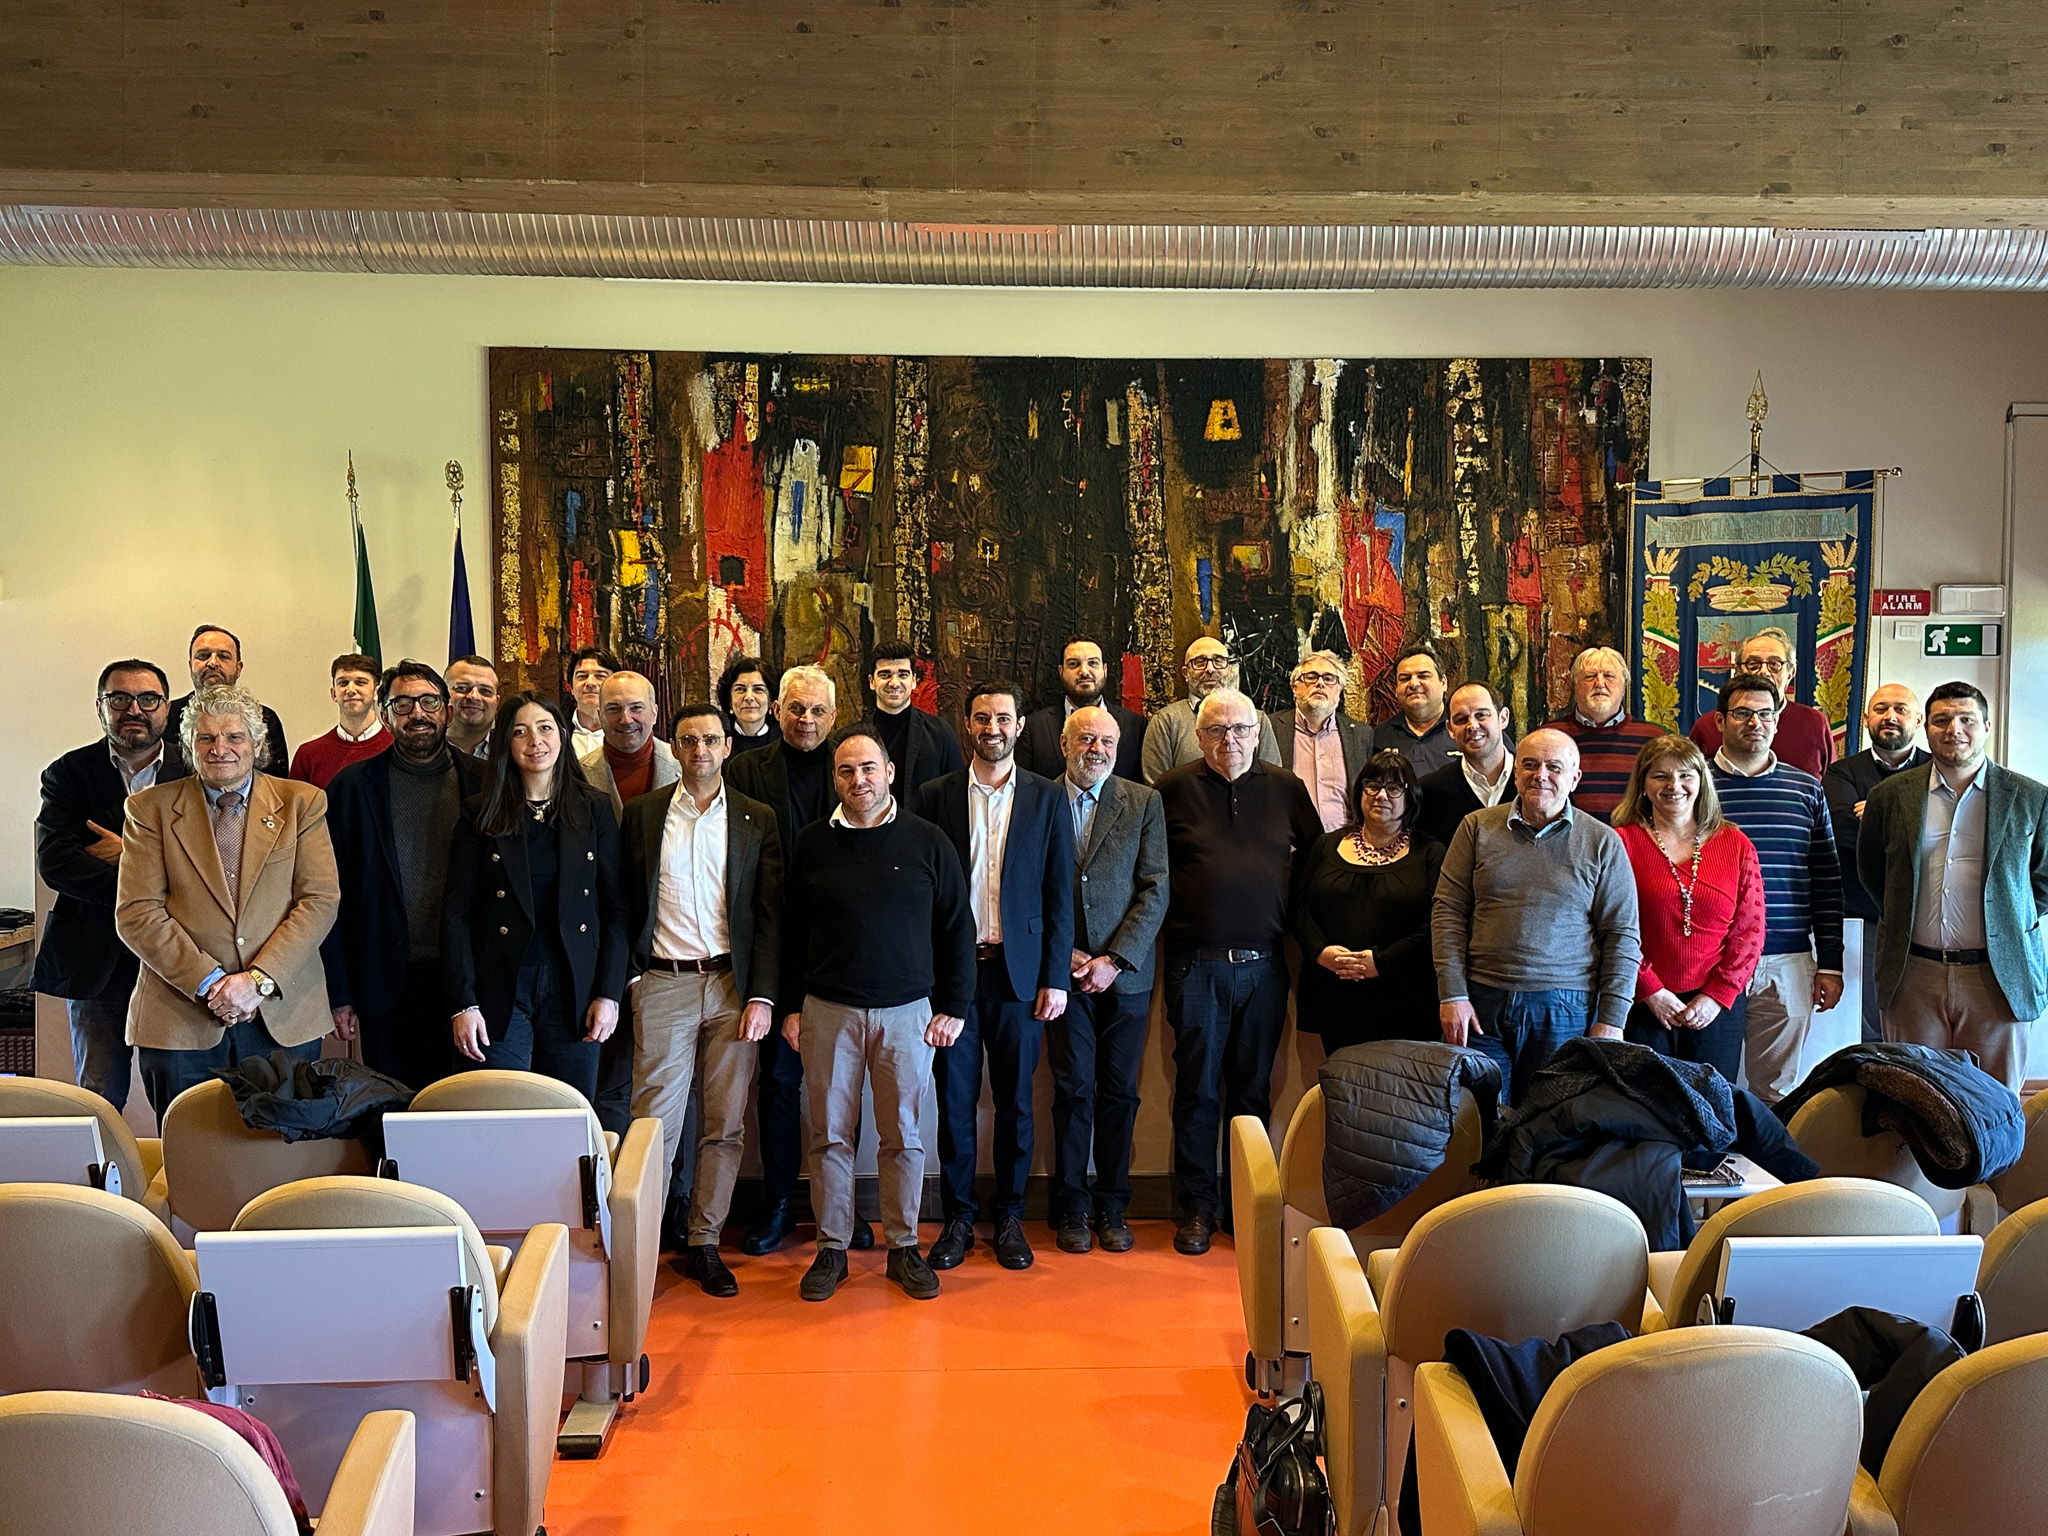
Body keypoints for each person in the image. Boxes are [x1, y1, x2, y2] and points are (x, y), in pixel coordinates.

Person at [779, 724, 976, 1302]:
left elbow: (956, 929)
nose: (858, 780)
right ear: (833, 778)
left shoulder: (928, 841)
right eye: (845, 770)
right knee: (830, 1137)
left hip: (908, 1014)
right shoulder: (812, 843)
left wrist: (955, 1006)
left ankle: (903, 1246)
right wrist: (790, 1008)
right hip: (827, 1012)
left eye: (868, 768)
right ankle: (831, 1249)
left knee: (904, 1137)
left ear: (889, 773)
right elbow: (792, 935)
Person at [114, 684, 339, 1119]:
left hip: (281, 1013)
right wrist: (211, 982)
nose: (220, 749)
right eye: (206, 738)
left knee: (282, 1158)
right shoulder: (148, 809)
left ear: (257, 744)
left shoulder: (302, 803)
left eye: (234, 737)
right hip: (182, 1018)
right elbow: (137, 913)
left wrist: (255, 981)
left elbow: (318, 900)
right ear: (189, 746)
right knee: (191, 1158)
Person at [619, 702, 782, 1297]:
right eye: (688, 741)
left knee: (725, 1123)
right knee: (653, 1125)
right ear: (675, 747)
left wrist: (763, 994)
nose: (700, 751)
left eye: (711, 740)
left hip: (733, 988)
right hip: (662, 982)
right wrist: (632, 978)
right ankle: (636, 1252)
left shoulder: (755, 818)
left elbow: (769, 915)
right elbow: (621, 904)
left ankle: (704, 1242)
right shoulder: (641, 816)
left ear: (727, 747)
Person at [916, 681, 1076, 1274]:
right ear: (967, 724)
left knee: (1014, 1104)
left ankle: (1009, 1214)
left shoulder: (1045, 798)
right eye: (982, 718)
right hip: (954, 981)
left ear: (1020, 725)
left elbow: (1059, 896)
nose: (993, 728)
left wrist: (1055, 978)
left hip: (1020, 977)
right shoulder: (934, 797)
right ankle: (958, 1216)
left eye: (1003, 718)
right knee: (953, 1102)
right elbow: (923, 896)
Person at [1156, 688, 1323, 1254]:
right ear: (1198, 736)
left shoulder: (1286, 789)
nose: (1228, 740)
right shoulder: (1172, 789)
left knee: (1251, 1092)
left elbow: (1318, 863)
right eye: (1215, 731)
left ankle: (1243, 1210)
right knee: (1197, 1091)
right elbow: (1150, 870)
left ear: (1257, 732)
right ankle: (1197, 1210)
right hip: (1193, 966)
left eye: (1239, 729)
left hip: (1266, 969)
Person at [1432, 727, 1642, 1105]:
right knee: (1480, 1118)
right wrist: (1453, 994)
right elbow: (1447, 912)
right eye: (1529, 764)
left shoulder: (1603, 842)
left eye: (1554, 767)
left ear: (1575, 777)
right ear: (1515, 772)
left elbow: (1622, 936)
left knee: (1550, 1120)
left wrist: (1612, 1021)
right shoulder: (1476, 828)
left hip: (1565, 1009)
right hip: (1480, 1004)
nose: (1540, 775)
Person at [1862, 681, 2048, 1093]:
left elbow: (2044, 878)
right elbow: (1875, 872)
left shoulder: (2030, 797)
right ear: (1926, 728)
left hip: (1998, 975)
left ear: (1986, 726)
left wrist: (2009, 913)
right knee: (1914, 1098)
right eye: (1942, 720)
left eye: (1966, 719)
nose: (1954, 729)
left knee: (1995, 1102)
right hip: (1914, 974)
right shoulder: (1889, 796)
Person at [444, 693, 628, 1103]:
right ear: (505, 743)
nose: (535, 741)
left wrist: (608, 994)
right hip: (499, 989)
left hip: (574, 988)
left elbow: (615, 910)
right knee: (499, 1117)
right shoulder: (479, 811)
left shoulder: (593, 809)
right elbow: (456, 913)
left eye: (545, 728)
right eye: (520, 731)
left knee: (569, 1118)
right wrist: (464, 1003)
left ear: (562, 736)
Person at [725, 664, 849, 1253]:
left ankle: (840, 1210)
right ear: (776, 710)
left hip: (838, 950)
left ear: (833, 714)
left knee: (839, 1088)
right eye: (796, 709)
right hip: (770, 946)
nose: (806, 720)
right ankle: (777, 1205)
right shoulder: (744, 771)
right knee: (777, 1084)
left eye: (818, 711)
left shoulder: (851, 771)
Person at [319, 661, 485, 1090]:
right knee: (393, 1112)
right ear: (386, 713)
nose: (418, 713)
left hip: (470, 981)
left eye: (429, 701)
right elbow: (327, 897)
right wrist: (340, 993)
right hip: (384, 984)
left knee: (468, 1109)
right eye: (403, 703)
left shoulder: (487, 784)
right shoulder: (350, 789)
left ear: (448, 711)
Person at [33, 660, 189, 1111]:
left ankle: (184, 1183)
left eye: (148, 699)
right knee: (98, 1095)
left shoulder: (196, 771)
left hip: (175, 955)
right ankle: (103, 1182)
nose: (133, 709)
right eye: (119, 699)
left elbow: (211, 866)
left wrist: (131, 852)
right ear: (101, 707)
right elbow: (57, 863)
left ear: (167, 708)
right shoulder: (68, 773)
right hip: (94, 956)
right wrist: (159, 874)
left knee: (182, 1099)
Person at [1048, 705, 1167, 1254]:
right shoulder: (1039, 798)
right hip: (1061, 977)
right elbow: (1023, 883)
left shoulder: (1143, 801)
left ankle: (1113, 1204)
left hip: (1125, 979)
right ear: (1064, 744)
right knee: (1072, 1091)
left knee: (1120, 1093)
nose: (1096, 749)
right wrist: (1065, 954)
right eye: (1086, 739)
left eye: (1107, 742)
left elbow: (1155, 888)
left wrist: (1113, 960)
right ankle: (1071, 1205)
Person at [1707, 675, 1845, 1103]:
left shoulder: (1805, 789)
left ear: (1778, 721)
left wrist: (1831, 962)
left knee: (1777, 1090)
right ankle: (1708, 1169)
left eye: (1766, 713)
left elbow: (1825, 878)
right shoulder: (1692, 788)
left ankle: (1767, 1170)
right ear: (1720, 720)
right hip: (1710, 957)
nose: (1755, 722)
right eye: (1743, 713)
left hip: (1786, 958)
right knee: (1708, 1081)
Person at [1612, 735, 1766, 1084]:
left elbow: (1750, 930)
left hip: (1716, 1008)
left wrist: (1716, 996)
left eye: (1685, 775)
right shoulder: (1620, 842)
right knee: (1647, 1109)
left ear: (1702, 781)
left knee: (1711, 1109)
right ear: (1643, 784)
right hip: (1641, 1003)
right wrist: (1649, 989)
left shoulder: (1736, 843)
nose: (1674, 786)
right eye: (1660, 776)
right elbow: (1610, 928)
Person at [1294, 750, 1446, 1053]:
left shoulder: (1431, 853)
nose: (1381, 796)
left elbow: (1437, 924)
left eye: (1394, 788)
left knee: (1400, 1094)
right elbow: (1298, 908)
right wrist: (1320, 952)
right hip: (1334, 995)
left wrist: (1380, 961)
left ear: (1410, 796)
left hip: (1405, 998)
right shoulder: (1326, 845)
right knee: (1343, 1091)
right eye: (1372, 786)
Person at [1824, 685, 1930, 1043]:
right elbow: (1846, 836)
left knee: (1923, 1010)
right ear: (1867, 719)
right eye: (1881, 708)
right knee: (1871, 1014)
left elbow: (1946, 835)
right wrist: (1915, 819)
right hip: (1866, 913)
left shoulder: (1937, 768)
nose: (1891, 716)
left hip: (1927, 913)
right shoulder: (1841, 774)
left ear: (1918, 719)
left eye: (1900, 709)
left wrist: (1880, 809)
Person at [1690, 627, 1838, 780]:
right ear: (1739, 670)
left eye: (1774, 664)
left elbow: (1831, 787)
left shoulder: (1814, 723)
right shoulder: (1707, 726)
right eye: (1753, 664)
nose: (1764, 671)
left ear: (1791, 673)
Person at [1141, 635, 1281, 784]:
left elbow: (1272, 782)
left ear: (1229, 669)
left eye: (1218, 661)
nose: (1210, 669)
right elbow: (1156, 789)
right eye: (1200, 662)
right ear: (1185, 673)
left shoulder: (1257, 720)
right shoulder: (1165, 722)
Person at [1550, 645, 1662, 820]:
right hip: (1568, 842)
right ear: (1575, 686)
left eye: (1609, 676)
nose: (1600, 683)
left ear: (1624, 687)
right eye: (1590, 676)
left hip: (1633, 842)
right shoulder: (1550, 736)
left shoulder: (1654, 739)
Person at [1015, 634, 1146, 783]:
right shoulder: (1034, 728)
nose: (1084, 671)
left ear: (1104, 670)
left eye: (1092, 663)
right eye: (1073, 664)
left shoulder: (1135, 726)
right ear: (1061, 671)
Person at [164, 625, 288, 774]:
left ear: (238, 668)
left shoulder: (265, 718)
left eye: (223, 656)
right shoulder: (166, 715)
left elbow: (273, 785)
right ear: (191, 666)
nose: (212, 663)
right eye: (203, 655)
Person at [1274, 650, 1375, 832]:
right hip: (1288, 844)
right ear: (1295, 688)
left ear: (1339, 690)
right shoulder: (1272, 728)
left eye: (1329, 679)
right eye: (1311, 677)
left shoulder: (1360, 735)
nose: (1320, 683)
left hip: (1343, 845)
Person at [1417, 681, 1516, 847]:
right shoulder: (1430, 792)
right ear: (1450, 729)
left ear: (1503, 718)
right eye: (1461, 719)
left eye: (1481, 715)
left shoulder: (1539, 782)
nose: (1472, 725)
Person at [865, 640, 965, 803]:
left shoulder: (940, 732)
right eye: (885, 675)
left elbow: (956, 792)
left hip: (925, 827)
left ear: (913, 681)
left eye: (903, 674)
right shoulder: (854, 737)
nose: (894, 683)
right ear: (871, 681)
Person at [580, 670, 679, 817]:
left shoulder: (683, 766)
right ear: (600, 715)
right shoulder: (578, 774)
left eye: (636, 708)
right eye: (614, 709)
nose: (626, 720)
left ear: (654, 714)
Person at [288, 653, 388, 789]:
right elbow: (295, 807)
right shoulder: (308, 754)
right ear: (334, 693)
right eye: (343, 683)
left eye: (360, 682)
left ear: (376, 692)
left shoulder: (397, 747)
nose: (351, 690)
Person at [1371, 645, 1457, 776]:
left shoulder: (1465, 730)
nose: (1414, 684)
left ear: (1443, 682)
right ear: (1396, 689)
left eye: (1423, 676)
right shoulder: (1378, 737)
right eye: (1405, 678)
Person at [718, 654, 780, 756]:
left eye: (758, 689)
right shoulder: (718, 740)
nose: (749, 697)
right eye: (740, 689)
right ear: (729, 700)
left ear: (771, 700)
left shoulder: (786, 740)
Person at [564, 646, 619, 759]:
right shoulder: (556, 729)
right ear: (571, 687)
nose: (590, 683)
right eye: (582, 676)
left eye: (600, 676)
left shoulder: (628, 730)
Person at [444, 654, 500, 759]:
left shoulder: (512, 752)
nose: (474, 696)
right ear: (442, 695)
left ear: (497, 703)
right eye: (462, 688)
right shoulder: (419, 748)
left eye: (485, 691)